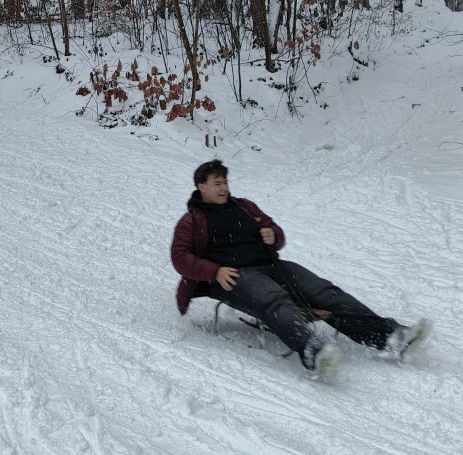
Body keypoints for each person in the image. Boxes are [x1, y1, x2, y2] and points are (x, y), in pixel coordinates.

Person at [171, 159, 429, 379]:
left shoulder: (244, 206)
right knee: (275, 300)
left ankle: (391, 337)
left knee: (325, 292)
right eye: (217, 183)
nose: (224, 188)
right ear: (201, 186)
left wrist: (273, 235)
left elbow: (275, 230)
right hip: (233, 275)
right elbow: (180, 257)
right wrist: (214, 272)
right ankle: (313, 352)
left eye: (225, 182)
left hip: (272, 265)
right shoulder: (192, 220)